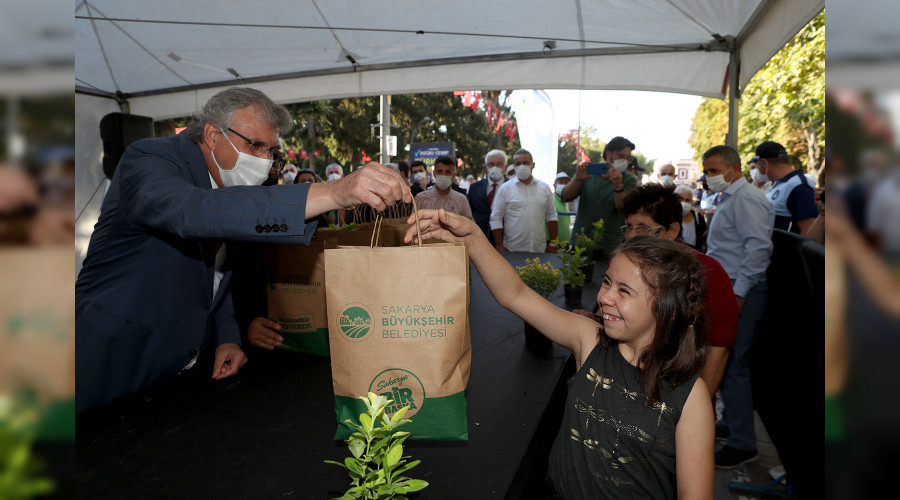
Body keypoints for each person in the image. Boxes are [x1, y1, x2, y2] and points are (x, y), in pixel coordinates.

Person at [75, 87, 411, 414]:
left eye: (271, 151)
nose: (264, 161)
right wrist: (335, 193)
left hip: (180, 372)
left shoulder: (231, 186)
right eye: (255, 145)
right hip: (107, 355)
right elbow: (192, 213)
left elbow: (214, 273)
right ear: (212, 135)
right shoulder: (149, 158)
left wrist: (227, 335)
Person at [404, 209, 713, 499]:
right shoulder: (590, 341)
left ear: (666, 307)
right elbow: (515, 294)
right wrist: (472, 237)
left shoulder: (689, 395)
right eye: (607, 282)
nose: (604, 297)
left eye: (623, 290)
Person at [621, 183, 737, 400]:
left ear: (672, 230)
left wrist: (694, 414)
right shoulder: (623, 264)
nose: (632, 237)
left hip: (677, 400)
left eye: (643, 228)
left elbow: (716, 352)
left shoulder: (710, 273)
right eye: (629, 226)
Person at [700, 145, 774, 468]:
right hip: (729, 288)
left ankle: (743, 443)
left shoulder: (746, 199)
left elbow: (758, 250)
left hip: (740, 289)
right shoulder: (731, 198)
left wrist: (739, 294)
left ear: (734, 169)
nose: (709, 177)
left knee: (731, 363)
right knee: (727, 359)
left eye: (714, 170)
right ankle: (731, 424)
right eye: (707, 171)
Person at [561, 136, 639, 261]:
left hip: (610, 246)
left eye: (627, 158)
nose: (624, 160)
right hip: (581, 242)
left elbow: (624, 210)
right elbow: (565, 197)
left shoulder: (628, 180)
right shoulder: (587, 172)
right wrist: (577, 179)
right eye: (621, 156)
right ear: (609, 154)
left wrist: (618, 186)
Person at [490, 149, 558, 253]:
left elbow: (552, 216)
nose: (522, 166)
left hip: (539, 249)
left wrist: (553, 243)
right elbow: (496, 218)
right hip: (512, 250)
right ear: (514, 166)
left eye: (525, 162)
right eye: (518, 163)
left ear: (533, 165)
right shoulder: (505, 189)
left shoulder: (544, 188)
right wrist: (499, 245)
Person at [755, 141, 818, 236]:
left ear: (764, 163)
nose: (758, 170)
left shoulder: (798, 186)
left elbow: (809, 231)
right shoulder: (781, 184)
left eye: (758, 165)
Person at [467, 149, 507, 245]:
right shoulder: (474, 187)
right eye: (491, 164)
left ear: (505, 167)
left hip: (506, 239)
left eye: (499, 164)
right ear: (486, 167)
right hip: (479, 239)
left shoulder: (512, 187)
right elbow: (469, 212)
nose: (495, 167)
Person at [674, 184, 707, 252]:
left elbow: (704, 239)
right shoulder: (669, 219)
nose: (683, 203)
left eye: (687, 200)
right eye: (680, 199)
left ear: (691, 202)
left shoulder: (698, 218)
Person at [551, 172, 572, 243]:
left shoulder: (565, 202)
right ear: (554, 185)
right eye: (561, 182)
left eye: (566, 183)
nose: (564, 185)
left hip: (564, 244)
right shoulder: (551, 200)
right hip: (553, 244)